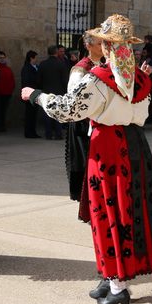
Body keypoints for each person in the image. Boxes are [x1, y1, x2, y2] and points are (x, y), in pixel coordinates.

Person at [22, 14, 152, 304]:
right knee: (129, 211)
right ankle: (111, 274)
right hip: (136, 147)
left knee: (110, 213)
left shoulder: (99, 80)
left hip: (108, 150)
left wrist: (36, 95)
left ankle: (118, 286)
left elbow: (67, 110)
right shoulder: (141, 79)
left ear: (107, 46)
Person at [65, 32, 104, 207]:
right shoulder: (80, 68)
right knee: (85, 165)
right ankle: (87, 205)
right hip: (83, 124)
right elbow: (72, 99)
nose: (103, 47)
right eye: (99, 44)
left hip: (100, 123)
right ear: (88, 46)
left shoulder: (105, 65)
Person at [38, 45, 69, 140]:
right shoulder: (61, 64)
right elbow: (65, 80)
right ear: (56, 52)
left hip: (46, 92)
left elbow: (39, 79)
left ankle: (48, 134)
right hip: (58, 92)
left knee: (47, 113)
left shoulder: (43, 64)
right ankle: (58, 134)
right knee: (57, 113)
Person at [0, 51, 15, 132]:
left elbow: (12, 81)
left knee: (4, 111)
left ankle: (2, 126)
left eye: (3, 57)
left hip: (7, 94)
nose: (2, 59)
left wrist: (11, 90)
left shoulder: (8, 69)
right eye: (1, 58)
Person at [20, 50, 40, 139]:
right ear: (31, 58)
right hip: (30, 94)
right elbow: (27, 82)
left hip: (35, 93)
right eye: (36, 58)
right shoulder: (27, 68)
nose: (37, 60)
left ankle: (33, 131)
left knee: (33, 114)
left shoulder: (35, 67)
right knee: (29, 114)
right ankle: (29, 132)